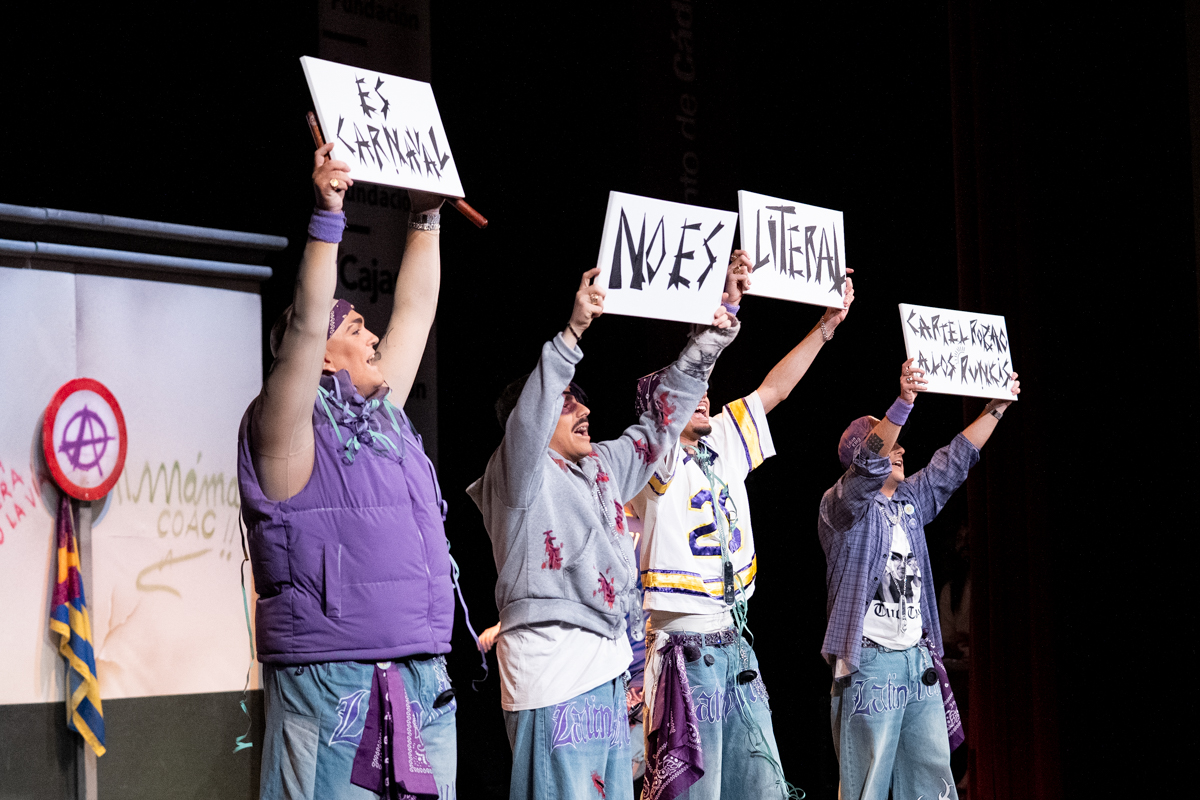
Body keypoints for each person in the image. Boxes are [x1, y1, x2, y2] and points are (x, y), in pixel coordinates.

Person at [236, 143, 461, 800]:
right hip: (334, 680)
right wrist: (328, 215)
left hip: (420, 673)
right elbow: (309, 324)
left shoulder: (384, 416)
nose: (374, 338)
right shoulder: (284, 430)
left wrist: (426, 216)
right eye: (358, 328)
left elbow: (416, 311)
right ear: (325, 359)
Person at [466, 268, 739, 800]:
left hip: (608, 672)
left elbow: (661, 424)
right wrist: (572, 334)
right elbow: (529, 421)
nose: (585, 409)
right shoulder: (517, 474)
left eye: (580, 399)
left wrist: (711, 337)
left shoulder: (603, 467)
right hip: (552, 676)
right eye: (567, 401)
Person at [629, 251, 855, 800]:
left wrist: (825, 328)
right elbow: (678, 396)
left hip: (735, 642)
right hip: (684, 649)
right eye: (689, 391)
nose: (704, 395)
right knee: (697, 791)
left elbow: (774, 390)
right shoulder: (650, 461)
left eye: (704, 389)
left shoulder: (722, 441)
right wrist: (726, 311)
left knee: (763, 786)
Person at [819, 358, 1020, 800]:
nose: (901, 449)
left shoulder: (908, 501)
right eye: (889, 442)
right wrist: (904, 401)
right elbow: (868, 464)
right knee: (867, 788)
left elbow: (954, 461)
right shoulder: (841, 508)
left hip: (917, 661)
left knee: (934, 786)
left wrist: (996, 407)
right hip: (871, 666)